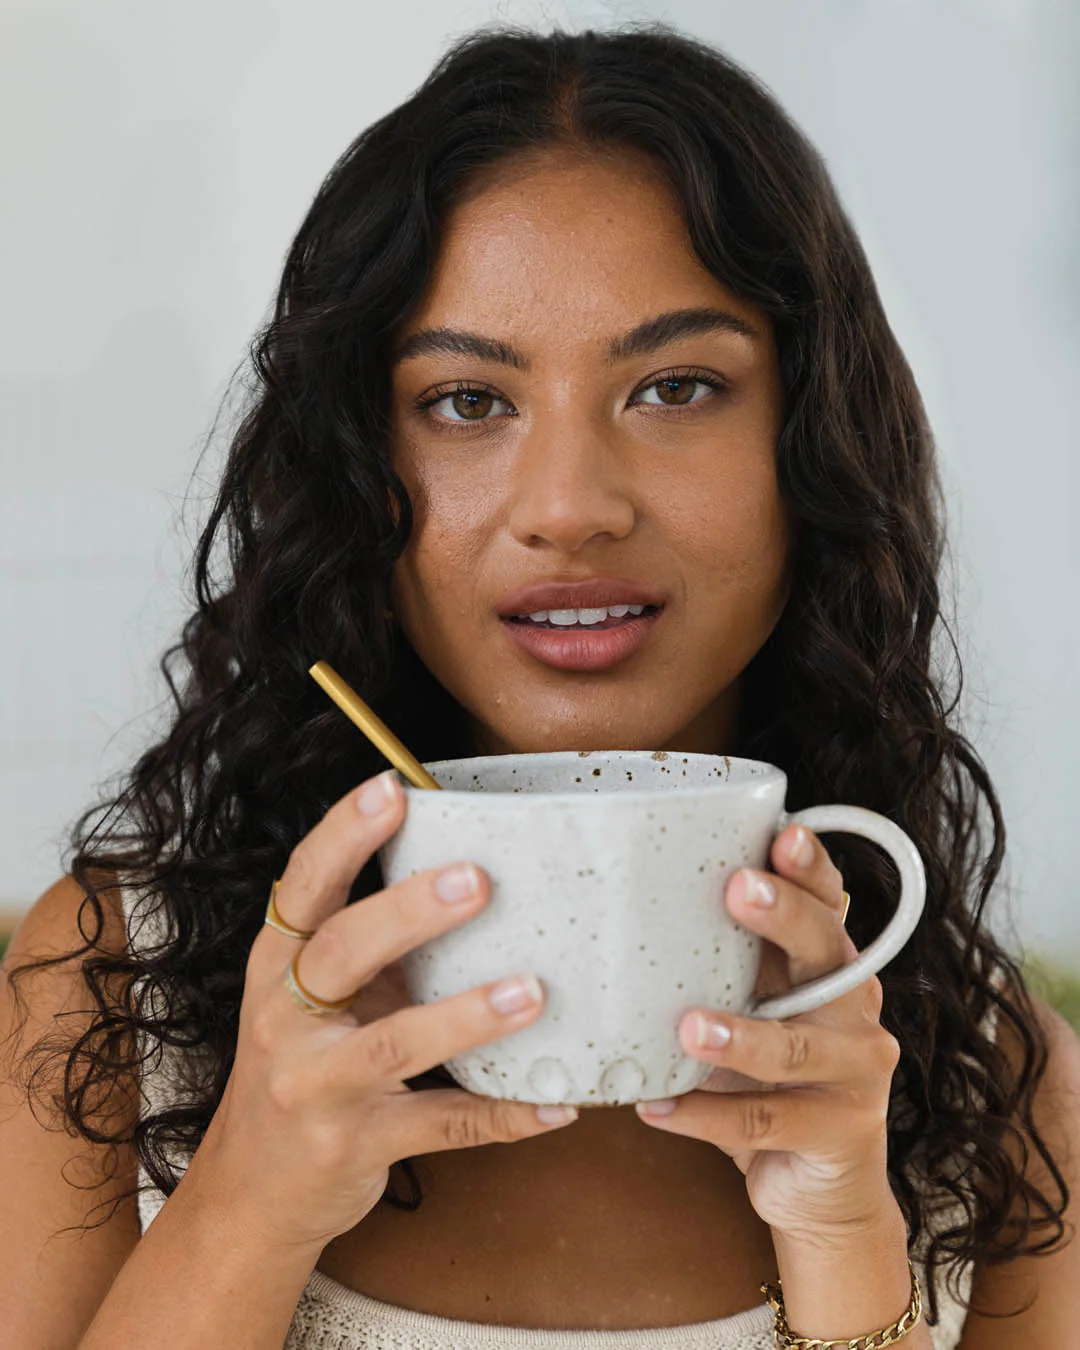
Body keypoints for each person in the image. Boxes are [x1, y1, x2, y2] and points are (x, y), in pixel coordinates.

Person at [2, 21, 1078, 1350]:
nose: (567, 509)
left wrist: (847, 1246)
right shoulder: (114, 984)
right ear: (355, 468)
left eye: (677, 386)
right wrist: (247, 1199)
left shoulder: (1003, 1093)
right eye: (465, 401)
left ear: (813, 445)